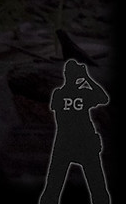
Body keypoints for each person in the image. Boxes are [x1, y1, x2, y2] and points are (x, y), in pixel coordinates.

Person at [41, 58, 110, 204]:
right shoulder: (81, 94)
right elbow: (102, 97)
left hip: (68, 142)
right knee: (97, 188)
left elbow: (103, 99)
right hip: (81, 141)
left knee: (53, 187)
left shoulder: (58, 94)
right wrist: (87, 79)